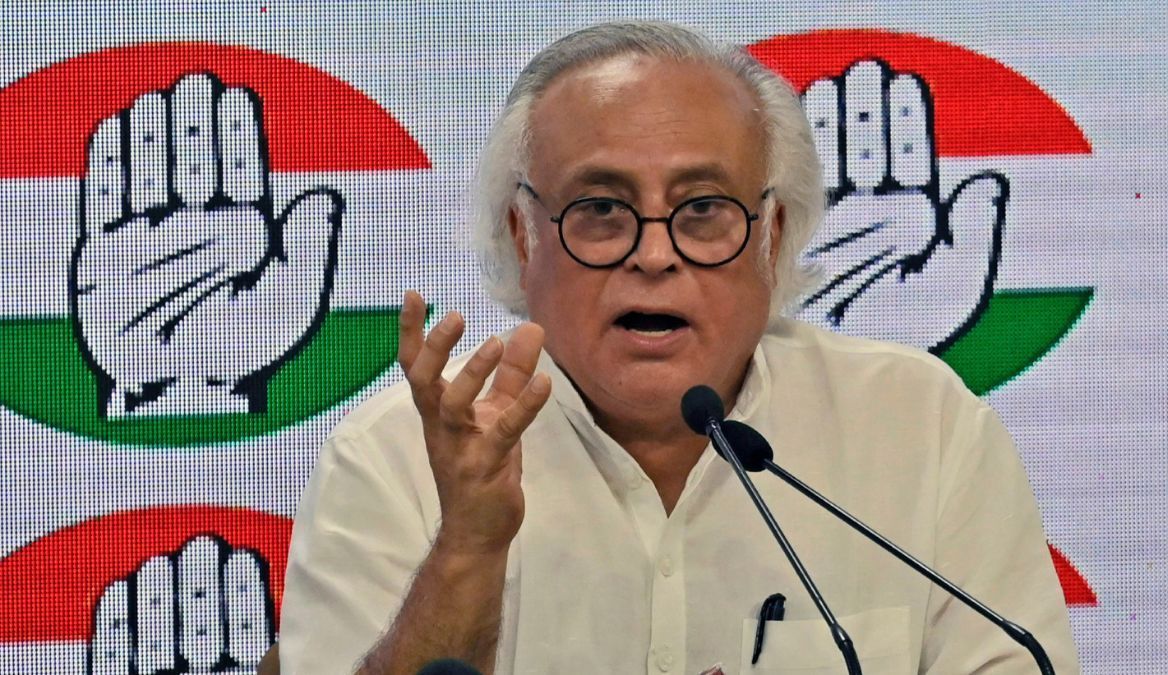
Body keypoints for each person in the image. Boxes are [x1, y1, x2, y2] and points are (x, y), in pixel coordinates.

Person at [279, 21, 1079, 674]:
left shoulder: (921, 427)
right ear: (524, 236)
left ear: (771, 235)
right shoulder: (392, 457)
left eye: (702, 209)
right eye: (601, 208)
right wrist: (468, 545)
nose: (655, 254)